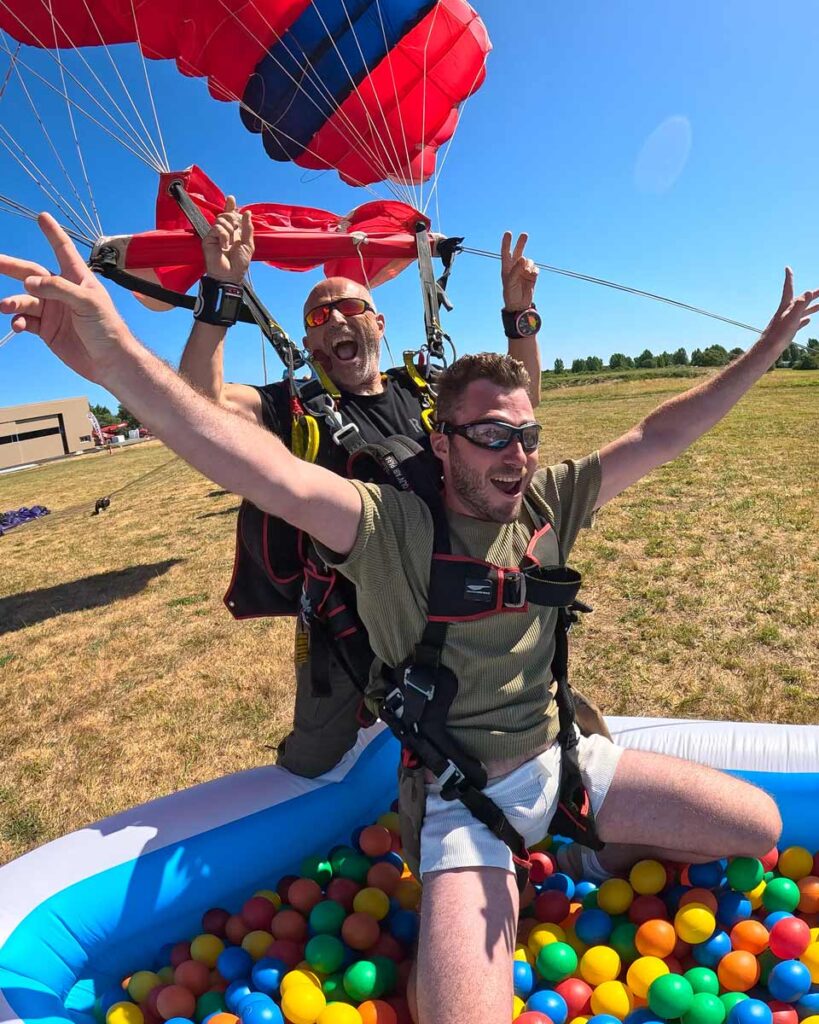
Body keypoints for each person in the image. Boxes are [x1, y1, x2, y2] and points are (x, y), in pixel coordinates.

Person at [1, 215, 804, 1024]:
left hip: (566, 764)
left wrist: (765, 349)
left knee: (759, 824)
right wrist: (115, 358)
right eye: (492, 437)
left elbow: (661, 430)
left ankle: (591, 851)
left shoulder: (547, 500)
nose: (516, 454)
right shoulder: (383, 527)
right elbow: (231, 449)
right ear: (444, 443)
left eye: (524, 435)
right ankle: (432, 957)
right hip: (463, 801)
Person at [176, 196, 557, 777]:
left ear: (377, 322)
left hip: (441, 596)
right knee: (315, 755)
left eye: (348, 306)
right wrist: (220, 294)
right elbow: (197, 411)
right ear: (309, 346)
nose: (333, 321)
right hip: (345, 615)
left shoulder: (429, 390)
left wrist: (519, 315)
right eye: (317, 319)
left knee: (490, 711)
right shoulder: (292, 405)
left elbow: (517, 404)